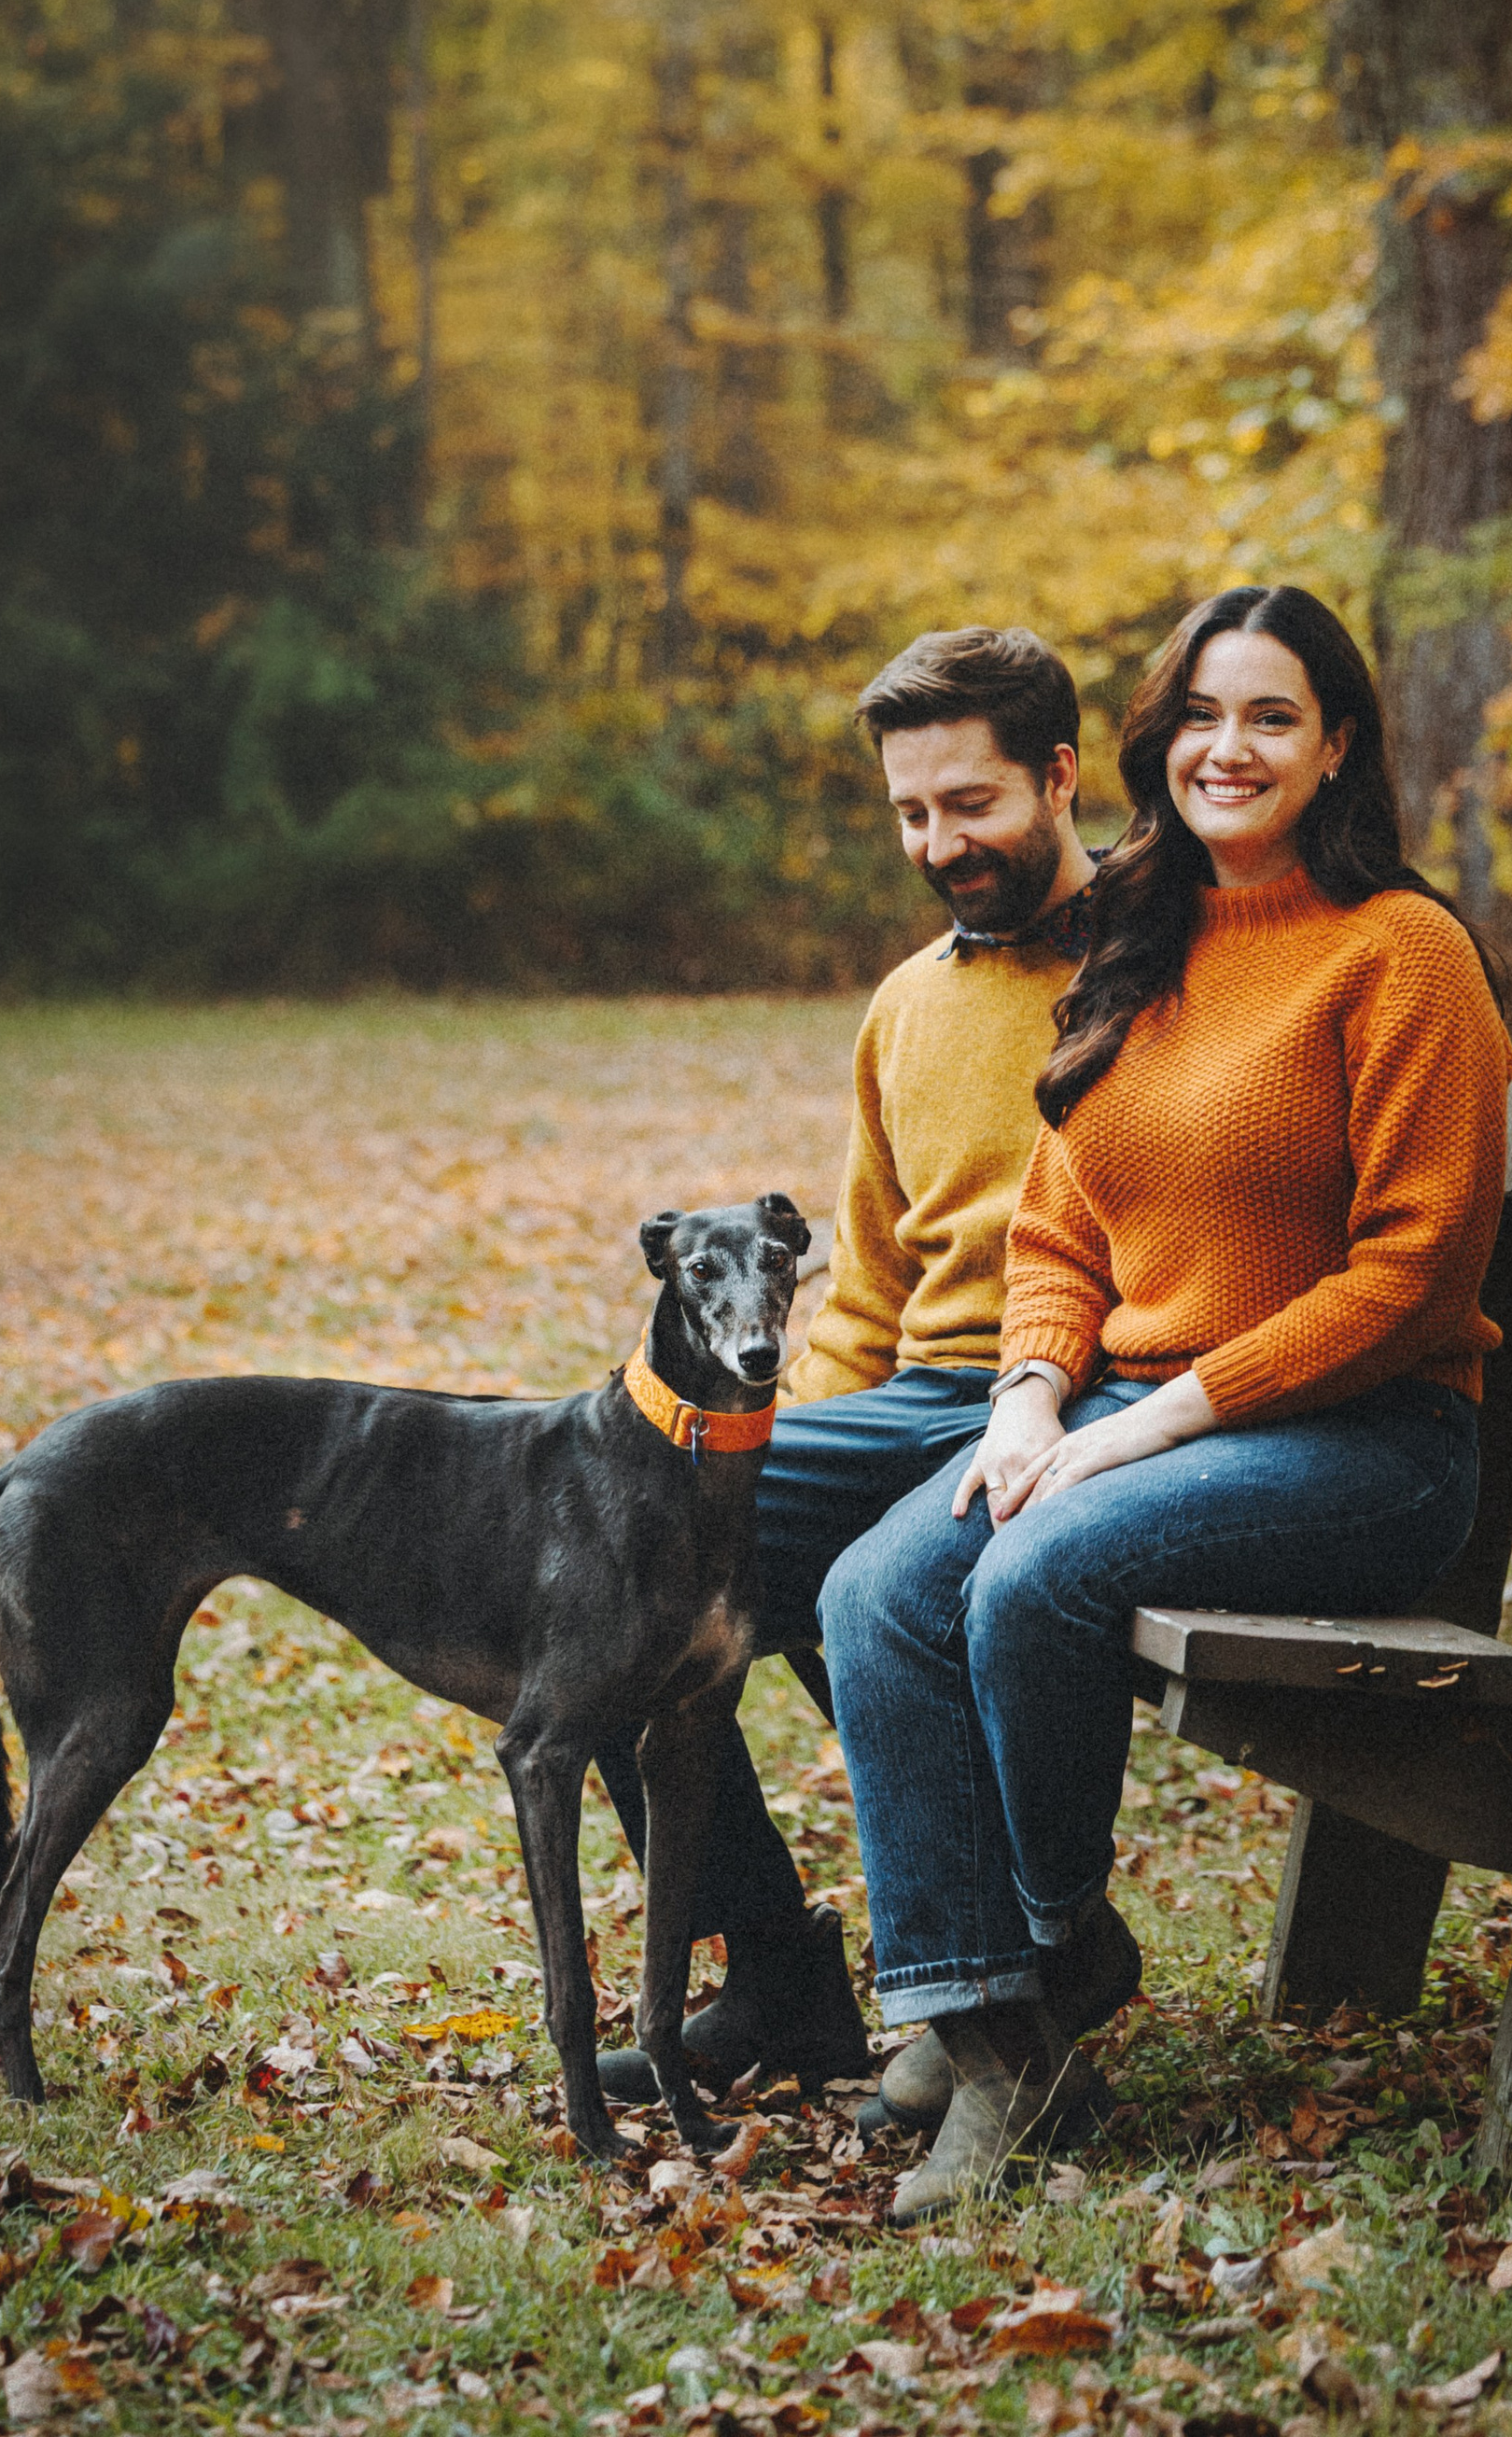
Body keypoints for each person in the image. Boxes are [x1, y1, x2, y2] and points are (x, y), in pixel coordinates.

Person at [817, 584, 1512, 2222]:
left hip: (1368, 1444)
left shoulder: (1404, 956)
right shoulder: (1147, 931)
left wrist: (1144, 1421)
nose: (1229, 747)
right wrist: (1030, 1399)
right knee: (877, 1589)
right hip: (1139, 1401)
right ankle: (986, 2014)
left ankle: (1046, 1976)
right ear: (1156, 742)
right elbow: (1065, 1215)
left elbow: (1409, 1278)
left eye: (1271, 716)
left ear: (1336, 745)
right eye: (1201, 715)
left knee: (1036, 1571)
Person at [595, 626, 1141, 2113]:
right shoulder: (905, 1006)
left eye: (970, 805)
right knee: (626, 1577)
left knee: (860, 1583)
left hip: (1095, 1388)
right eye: (911, 814)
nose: (939, 843)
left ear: (1060, 776)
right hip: (916, 1395)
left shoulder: (1164, 960)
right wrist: (784, 1453)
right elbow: (874, 1282)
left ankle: (1040, 1958)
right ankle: (777, 1979)